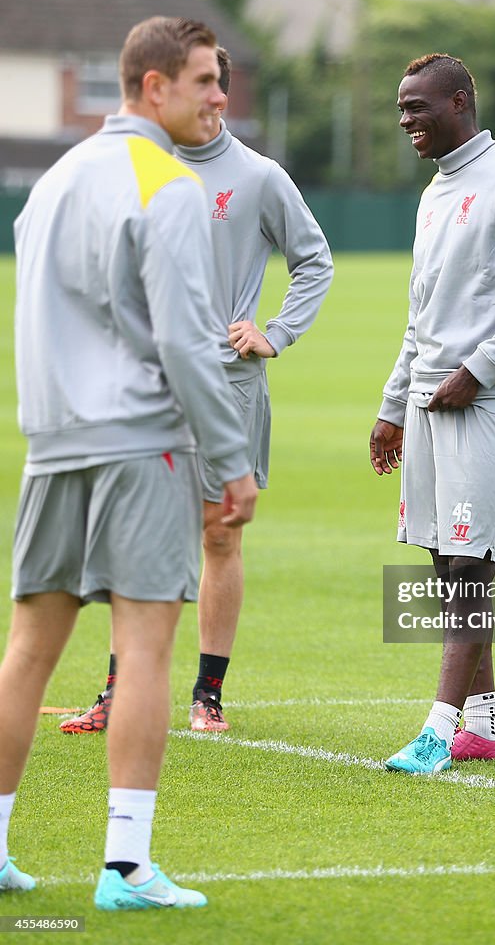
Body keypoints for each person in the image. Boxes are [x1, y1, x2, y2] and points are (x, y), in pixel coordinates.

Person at [0, 16, 258, 908]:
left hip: (53, 447)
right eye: (201, 82)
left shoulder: (53, 180)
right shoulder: (170, 185)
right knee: (144, 649)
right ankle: (126, 868)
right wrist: (231, 459)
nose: (219, 98)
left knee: (27, 653)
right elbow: (189, 344)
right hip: (141, 443)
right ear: (153, 87)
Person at [59, 47, 334, 735]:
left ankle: (207, 695)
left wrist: (276, 330)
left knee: (218, 536)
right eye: (195, 85)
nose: (207, 99)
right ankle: (118, 689)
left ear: (222, 94)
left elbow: (314, 260)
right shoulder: (137, 167)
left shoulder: (259, 177)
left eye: (214, 86)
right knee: (133, 538)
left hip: (226, 381)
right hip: (144, 384)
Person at [370, 53, 495, 774]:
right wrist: (393, 404)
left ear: (459, 102)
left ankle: (436, 728)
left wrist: (478, 372)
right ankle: (483, 727)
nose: (404, 120)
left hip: (488, 401)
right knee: (441, 563)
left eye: (417, 106)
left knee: (467, 568)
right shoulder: (434, 192)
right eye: (400, 107)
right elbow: (420, 313)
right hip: (428, 397)